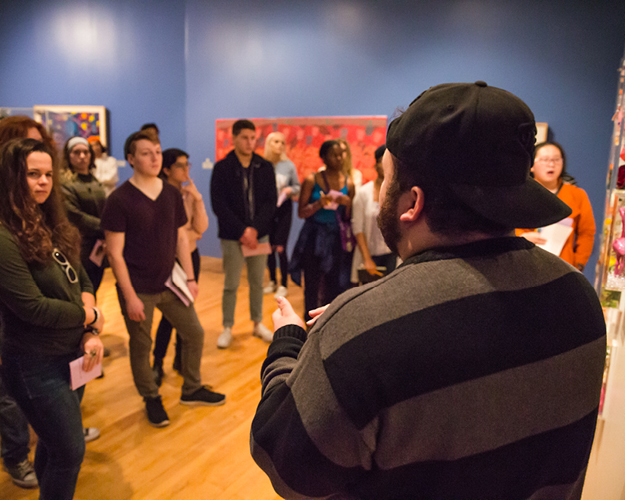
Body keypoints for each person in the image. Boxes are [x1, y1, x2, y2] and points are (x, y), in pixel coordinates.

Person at [250, 82, 606, 499]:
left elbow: (288, 465)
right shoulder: (579, 298)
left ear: (411, 202)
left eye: (386, 179)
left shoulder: (359, 327)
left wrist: (290, 343)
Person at [0, 138, 105, 499]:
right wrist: (88, 314)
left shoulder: (50, 221)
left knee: (54, 444)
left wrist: (88, 329)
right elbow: (32, 306)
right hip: (34, 364)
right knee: (69, 450)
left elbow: (81, 276)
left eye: (48, 174)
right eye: (32, 174)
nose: (43, 182)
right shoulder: (3, 234)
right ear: (12, 177)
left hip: (72, 353)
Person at [102, 130, 225, 428]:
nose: (155, 157)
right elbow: (114, 254)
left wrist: (191, 276)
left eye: (157, 151)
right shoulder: (119, 200)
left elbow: (181, 236)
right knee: (141, 346)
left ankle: (192, 388)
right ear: (130, 159)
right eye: (146, 153)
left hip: (170, 282)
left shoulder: (170, 193)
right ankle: (151, 397)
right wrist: (129, 295)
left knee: (194, 333)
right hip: (138, 288)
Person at [210, 119, 277, 349]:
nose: (250, 143)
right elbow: (219, 204)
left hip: (259, 235)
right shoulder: (222, 168)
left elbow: (271, 202)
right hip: (232, 236)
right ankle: (228, 326)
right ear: (234, 138)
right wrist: (242, 231)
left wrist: (255, 229)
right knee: (231, 283)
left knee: (258, 282)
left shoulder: (265, 167)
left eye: (253, 138)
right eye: (245, 138)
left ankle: (257, 323)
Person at [152, 148, 208, 386]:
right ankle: (157, 362)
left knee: (186, 312)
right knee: (170, 315)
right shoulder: (159, 194)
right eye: (180, 165)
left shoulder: (187, 193)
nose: (186, 170)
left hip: (190, 258)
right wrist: (188, 234)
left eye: (188, 165)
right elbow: (169, 234)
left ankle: (179, 360)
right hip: (168, 260)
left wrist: (197, 199)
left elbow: (201, 228)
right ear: (167, 170)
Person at [289, 140, 355, 322]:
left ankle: (328, 323)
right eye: (335, 154)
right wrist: (319, 203)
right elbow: (301, 213)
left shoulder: (349, 184)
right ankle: (310, 324)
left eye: (342, 154)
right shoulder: (312, 180)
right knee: (311, 284)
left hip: (335, 240)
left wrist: (348, 204)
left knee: (334, 283)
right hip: (313, 238)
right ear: (324, 157)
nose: (340, 158)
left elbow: (348, 219)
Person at [516, 141, 596, 271]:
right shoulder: (520, 193)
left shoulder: (577, 194)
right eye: (545, 159)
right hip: (525, 263)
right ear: (531, 165)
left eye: (556, 159)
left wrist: (579, 263)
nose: (551, 164)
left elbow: (587, 233)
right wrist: (521, 237)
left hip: (563, 266)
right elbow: (505, 227)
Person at [61, 137, 107, 293]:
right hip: (78, 246)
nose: (82, 156)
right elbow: (74, 216)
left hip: (98, 245)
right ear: (68, 155)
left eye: (86, 152)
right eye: (76, 152)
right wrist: (107, 228)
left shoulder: (95, 181)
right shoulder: (64, 182)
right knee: (81, 291)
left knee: (94, 288)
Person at [262, 132, 301, 298]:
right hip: (267, 210)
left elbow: (298, 187)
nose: (280, 145)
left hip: (284, 209)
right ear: (269, 144)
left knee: (280, 247)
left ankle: (283, 283)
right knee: (269, 248)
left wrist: (289, 190)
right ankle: (272, 281)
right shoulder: (262, 165)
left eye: (282, 142)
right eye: (276, 141)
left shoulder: (289, 165)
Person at [350, 145, 396, 284]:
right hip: (370, 254)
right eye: (383, 162)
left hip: (391, 253)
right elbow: (358, 229)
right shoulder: (363, 193)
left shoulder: (397, 191)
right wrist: (367, 258)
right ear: (376, 165)